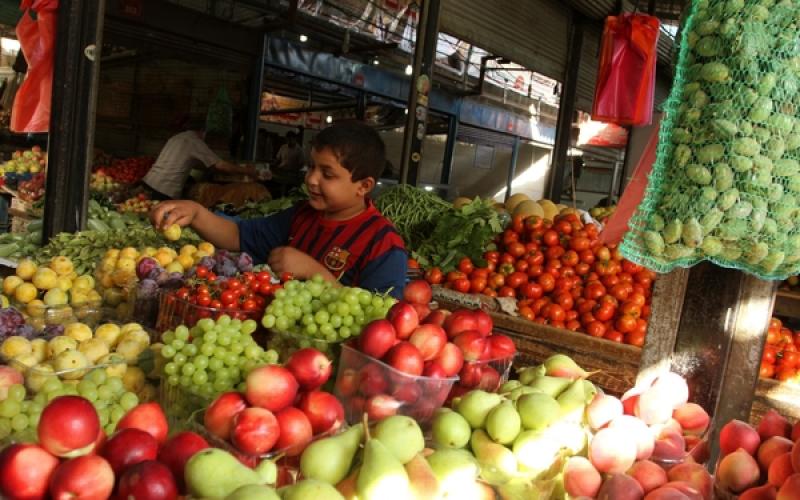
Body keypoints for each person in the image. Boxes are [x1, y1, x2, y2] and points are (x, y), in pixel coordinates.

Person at [150, 121, 407, 297]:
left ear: (363, 186)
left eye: (327, 174)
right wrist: (196, 212)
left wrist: (315, 272)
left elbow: (381, 324)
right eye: (311, 167)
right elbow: (238, 235)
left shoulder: (383, 246)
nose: (312, 179)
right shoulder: (301, 215)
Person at [142, 119, 264, 200]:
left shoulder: (177, 137)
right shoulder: (195, 141)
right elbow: (221, 165)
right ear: (202, 131)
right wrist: (248, 171)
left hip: (148, 183)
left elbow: (182, 161)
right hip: (164, 191)